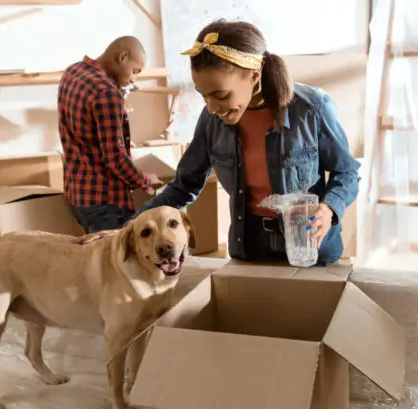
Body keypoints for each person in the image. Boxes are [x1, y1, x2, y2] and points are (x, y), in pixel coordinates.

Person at [139, 20, 360, 265]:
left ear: (254, 76)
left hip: (308, 245)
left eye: (221, 96)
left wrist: (329, 209)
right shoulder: (212, 121)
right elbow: (184, 186)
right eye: (204, 97)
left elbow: (347, 172)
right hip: (250, 246)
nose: (212, 108)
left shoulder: (311, 109)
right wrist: (129, 225)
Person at [58, 36, 160, 234]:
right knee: (114, 264)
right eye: (135, 71)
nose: (133, 79)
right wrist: (144, 180)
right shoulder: (106, 93)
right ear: (123, 57)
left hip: (77, 195)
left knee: (97, 260)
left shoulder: (72, 71)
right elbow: (115, 159)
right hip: (105, 203)